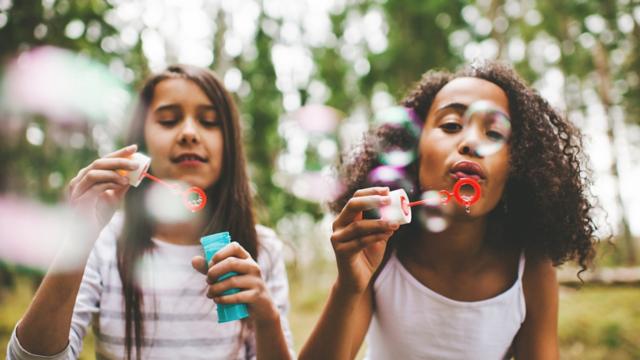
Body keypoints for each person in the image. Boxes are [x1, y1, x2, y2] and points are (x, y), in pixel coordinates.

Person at [299, 60, 597, 359]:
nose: (471, 142)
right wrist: (347, 288)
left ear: (517, 167)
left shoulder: (529, 269)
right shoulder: (383, 251)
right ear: (413, 149)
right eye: (451, 125)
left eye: (493, 134)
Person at [7, 65, 294, 359]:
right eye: (169, 120)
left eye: (209, 121)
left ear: (230, 144)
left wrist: (266, 316)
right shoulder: (104, 241)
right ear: (142, 143)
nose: (189, 133)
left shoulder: (262, 249)